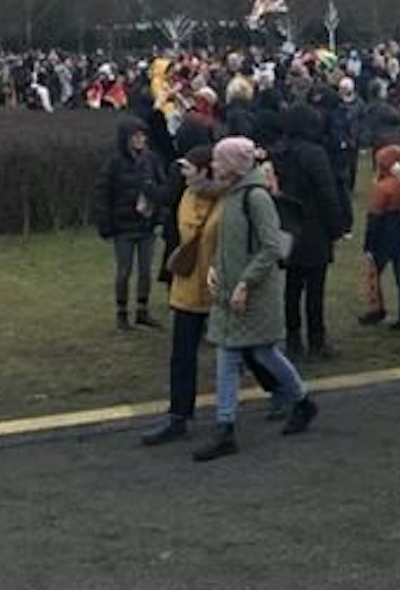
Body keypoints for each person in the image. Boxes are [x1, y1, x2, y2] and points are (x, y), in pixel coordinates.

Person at [193, 137, 317, 461]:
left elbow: (271, 246)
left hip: (252, 292)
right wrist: (215, 270)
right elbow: (230, 242)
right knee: (251, 353)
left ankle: (228, 427)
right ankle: (297, 402)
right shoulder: (234, 195)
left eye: (219, 161)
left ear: (234, 165)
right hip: (232, 290)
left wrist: (245, 283)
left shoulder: (255, 197)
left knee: (245, 353)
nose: (214, 166)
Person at [142, 146, 220, 446]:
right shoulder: (185, 196)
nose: (182, 173)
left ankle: (283, 391)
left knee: (248, 350)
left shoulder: (225, 201)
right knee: (182, 355)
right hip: (187, 285)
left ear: (204, 171)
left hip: (217, 287)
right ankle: (179, 416)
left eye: (188, 168)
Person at [274, 103, 352, 358]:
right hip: (314, 226)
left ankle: (293, 337)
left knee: (292, 285)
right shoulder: (315, 154)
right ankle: (317, 339)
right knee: (315, 288)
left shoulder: (280, 152)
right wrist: (336, 226)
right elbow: (326, 192)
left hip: (287, 224)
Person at [94, 116, 163, 332]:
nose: (141, 139)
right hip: (123, 226)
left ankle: (142, 309)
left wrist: (158, 216)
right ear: (126, 138)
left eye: (143, 136)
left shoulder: (151, 160)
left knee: (145, 271)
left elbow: (162, 189)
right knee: (124, 270)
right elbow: (103, 194)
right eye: (136, 136)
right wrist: (106, 225)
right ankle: (121, 312)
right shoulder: (114, 163)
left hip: (146, 224)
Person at [359, 143, 400, 332]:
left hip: (383, 238)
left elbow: (374, 219)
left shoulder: (382, 188)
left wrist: (368, 245)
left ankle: (377, 309)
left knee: (374, 276)